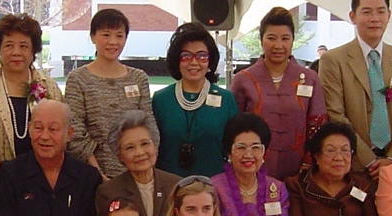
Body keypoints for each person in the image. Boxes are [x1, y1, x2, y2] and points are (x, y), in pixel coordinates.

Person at [318, 0, 392, 178]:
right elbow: (335, 114)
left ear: (388, 16)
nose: (375, 19)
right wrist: (369, 160)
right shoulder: (333, 60)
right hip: (352, 165)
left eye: (380, 12)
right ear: (353, 17)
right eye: (366, 12)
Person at [231, 7, 327, 180]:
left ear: (292, 41)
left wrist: (306, 167)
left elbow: (317, 127)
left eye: (285, 38)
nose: (278, 45)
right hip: (251, 172)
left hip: (299, 174)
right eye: (271, 38)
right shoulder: (243, 79)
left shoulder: (311, 79)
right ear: (261, 40)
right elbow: (233, 129)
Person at [65, 9, 152, 179]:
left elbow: (148, 125)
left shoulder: (138, 78)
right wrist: (98, 174)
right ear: (93, 37)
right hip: (90, 175)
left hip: (135, 173)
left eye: (119, 36)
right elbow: (75, 130)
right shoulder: (77, 79)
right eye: (106, 35)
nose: (113, 42)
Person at [0, 13, 62, 166]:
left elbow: (60, 130)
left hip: (44, 175)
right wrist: (4, 174)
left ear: (33, 51)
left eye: (23, 46)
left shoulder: (48, 87)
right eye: (9, 45)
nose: (16, 52)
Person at [153, 22, 238, 177]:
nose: (194, 62)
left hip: (213, 187)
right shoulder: (160, 100)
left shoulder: (226, 100)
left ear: (210, 61)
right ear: (177, 61)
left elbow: (233, 147)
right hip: (169, 187)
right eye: (186, 56)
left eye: (201, 56)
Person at [213, 113, 293, 216]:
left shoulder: (277, 188)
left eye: (256, 147)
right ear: (229, 153)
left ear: (264, 153)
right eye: (240, 148)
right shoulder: (215, 188)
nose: (248, 155)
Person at [96, 110, 181, 216]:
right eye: (130, 147)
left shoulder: (176, 185)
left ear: (155, 145)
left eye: (145, 144)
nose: (140, 153)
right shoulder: (108, 192)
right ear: (120, 155)